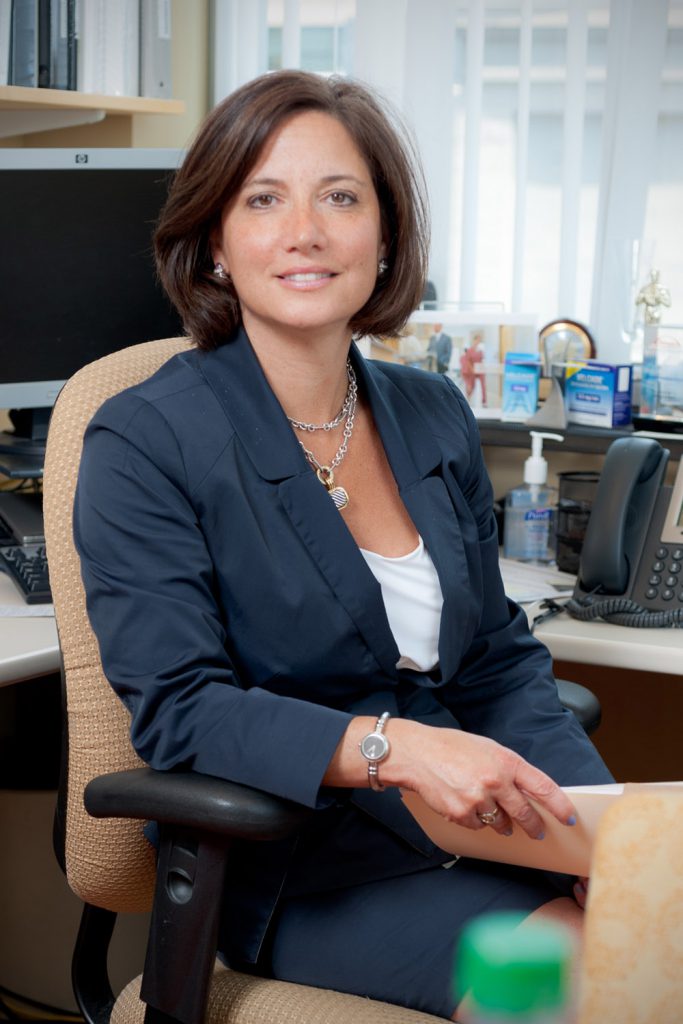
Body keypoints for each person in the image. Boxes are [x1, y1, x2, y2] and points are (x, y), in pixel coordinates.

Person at [73, 69, 613, 1021]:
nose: (305, 233)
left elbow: (493, 661)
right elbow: (183, 712)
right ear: (213, 242)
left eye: (340, 197)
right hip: (300, 864)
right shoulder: (146, 440)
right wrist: (394, 748)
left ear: (385, 234)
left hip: (474, 834)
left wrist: (606, 837)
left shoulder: (430, 412)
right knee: (588, 978)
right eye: (263, 200)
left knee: (662, 913)